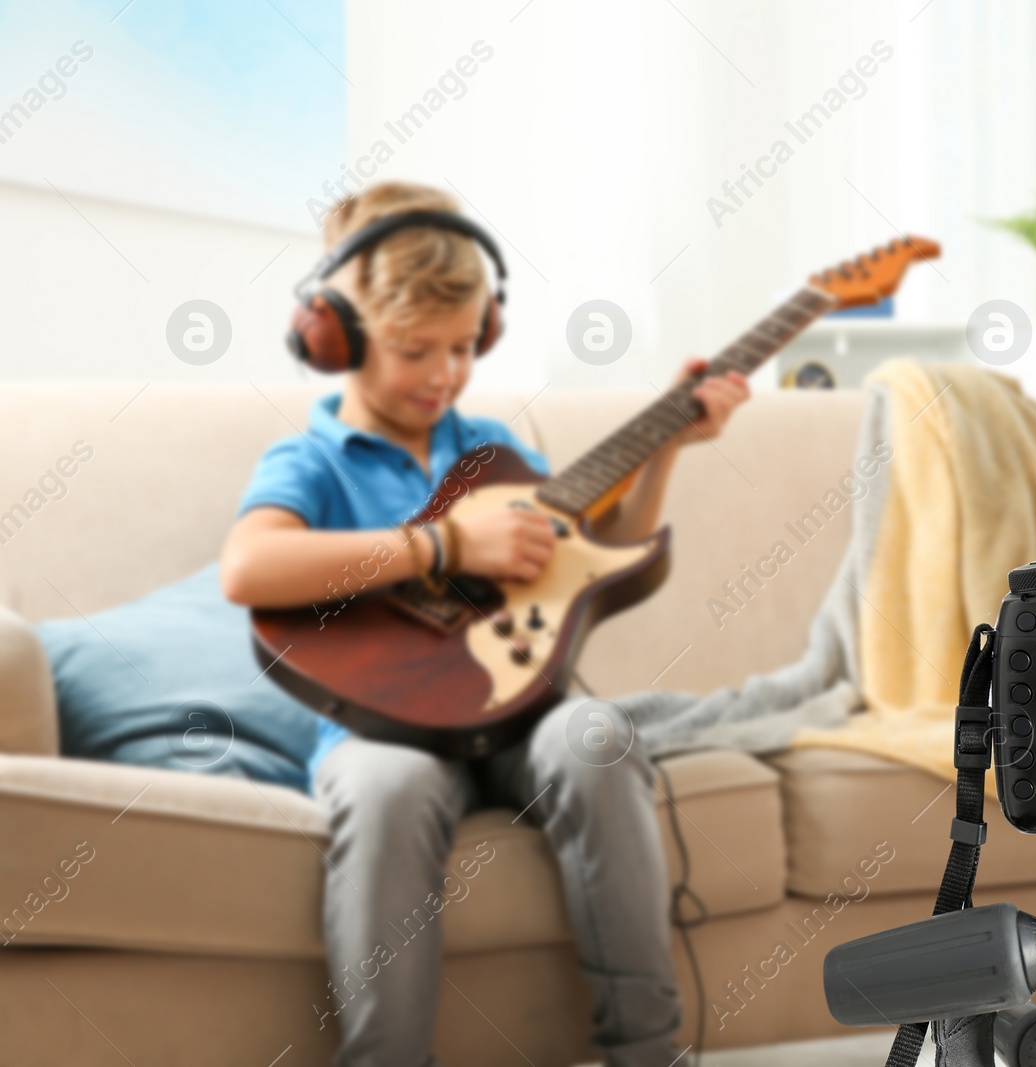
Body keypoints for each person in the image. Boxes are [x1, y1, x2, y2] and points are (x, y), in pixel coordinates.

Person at [219, 181, 751, 1067]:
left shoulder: (496, 454)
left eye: (465, 346)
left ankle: (648, 1050)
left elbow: (598, 554)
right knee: (384, 789)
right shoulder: (310, 458)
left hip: (517, 714)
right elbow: (250, 566)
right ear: (335, 337)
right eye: (413, 349)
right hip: (379, 726)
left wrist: (665, 450)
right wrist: (443, 545)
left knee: (598, 734)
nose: (444, 373)